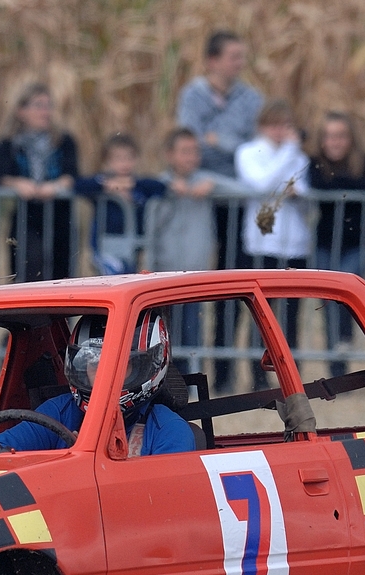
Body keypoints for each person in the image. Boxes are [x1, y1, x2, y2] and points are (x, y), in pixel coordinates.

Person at [0, 316, 195, 456]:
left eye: (119, 364)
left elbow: (162, 498)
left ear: (146, 367)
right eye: (93, 364)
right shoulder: (59, 412)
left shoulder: (170, 430)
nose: (103, 374)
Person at [176, 29, 261, 297]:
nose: (240, 63)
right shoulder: (192, 95)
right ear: (213, 60)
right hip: (199, 190)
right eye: (233, 56)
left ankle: (226, 323)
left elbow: (255, 146)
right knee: (194, 265)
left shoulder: (251, 98)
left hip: (237, 194)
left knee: (234, 267)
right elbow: (190, 140)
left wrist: (221, 141)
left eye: (241, 56)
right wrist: (232, 145)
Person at [146, 127, 241, 357]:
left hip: (195, 277)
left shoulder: (205, 181)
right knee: (165, 341)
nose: (191, 157)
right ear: (169, 154)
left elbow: (247, 190)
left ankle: (191, 377)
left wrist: (213, 185)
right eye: (185, 151)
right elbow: (150, 231)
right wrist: (168, 192)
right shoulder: (159, 187)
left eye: (195, 151)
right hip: (164, 277)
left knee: (192, 339)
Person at [235, 100, 311, 367]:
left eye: (284, 126)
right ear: (261, 126)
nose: (279, 132)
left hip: (294, 244)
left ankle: (291, 372)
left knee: (291, 317)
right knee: (261, 316)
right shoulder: (248, 152)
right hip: (262, 244)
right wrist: (289, 151)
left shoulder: (299, 157)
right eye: (273, 125)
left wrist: (297, 192)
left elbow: (306, 196)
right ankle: (258, 374)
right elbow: (261, 183)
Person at [308, 112, 365, 363]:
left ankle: (344, 340)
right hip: (325, 244)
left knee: (344, 289)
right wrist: (360, 182)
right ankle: (336, 362)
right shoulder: (315, 163)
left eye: (341, 136)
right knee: (328, 300)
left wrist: (345, 183)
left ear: (351, 139)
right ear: (322, 140)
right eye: (330, 136)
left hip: (357, 244)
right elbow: (319, 185)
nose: (335, 142)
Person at [0, 84, 78, 282]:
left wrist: (55, 187)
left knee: (61, 275)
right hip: (26, 217)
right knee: (27, 271)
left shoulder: (64, 141)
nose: (45, 112)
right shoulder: (9, 144)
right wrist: (17, 183)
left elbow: (72, 174)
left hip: (60, 217)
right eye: (38, 106)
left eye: (48, 106)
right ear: (21, 111)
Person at [75, 134, 167, 276]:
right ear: (107, 161)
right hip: (104, 246)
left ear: (136, 159)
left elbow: (161, 187)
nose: (124, 163)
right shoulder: (102, 183)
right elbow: (79, 185)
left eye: (129, 158)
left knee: (129, 277)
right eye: (118, 158)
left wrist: (131, 184)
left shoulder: (140, 185)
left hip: (134, 246)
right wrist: (105, 185)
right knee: (115, 276)